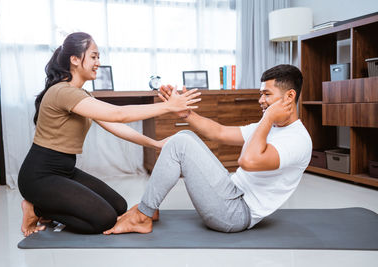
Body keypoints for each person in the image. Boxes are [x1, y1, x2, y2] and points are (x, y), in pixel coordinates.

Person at [18, 32, 201, 237]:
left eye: (98, 57)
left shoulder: (82, 95)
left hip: (64, 170)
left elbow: (115, 125)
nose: (98, 62)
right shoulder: (63, 92)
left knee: (118, 206)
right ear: (75, 59)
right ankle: (37, 208)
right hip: (40, 175)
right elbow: (119, 114)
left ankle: (46, 206)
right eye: (94, 56)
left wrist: (155, 144)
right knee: (102, 220)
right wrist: (168, 107)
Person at [103, 64, 312, 235]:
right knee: (183, 136)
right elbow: (218, 132)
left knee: (180, 144)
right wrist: (185, 113)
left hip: (236, 214)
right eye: (260, 94)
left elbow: (248, 162)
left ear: (289, 97)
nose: (261, 100)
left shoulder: (297, 140)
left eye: (266, 94)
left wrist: (267, 118)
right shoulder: (270, 126)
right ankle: (150, 208)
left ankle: (142, 215)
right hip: (231, 193)